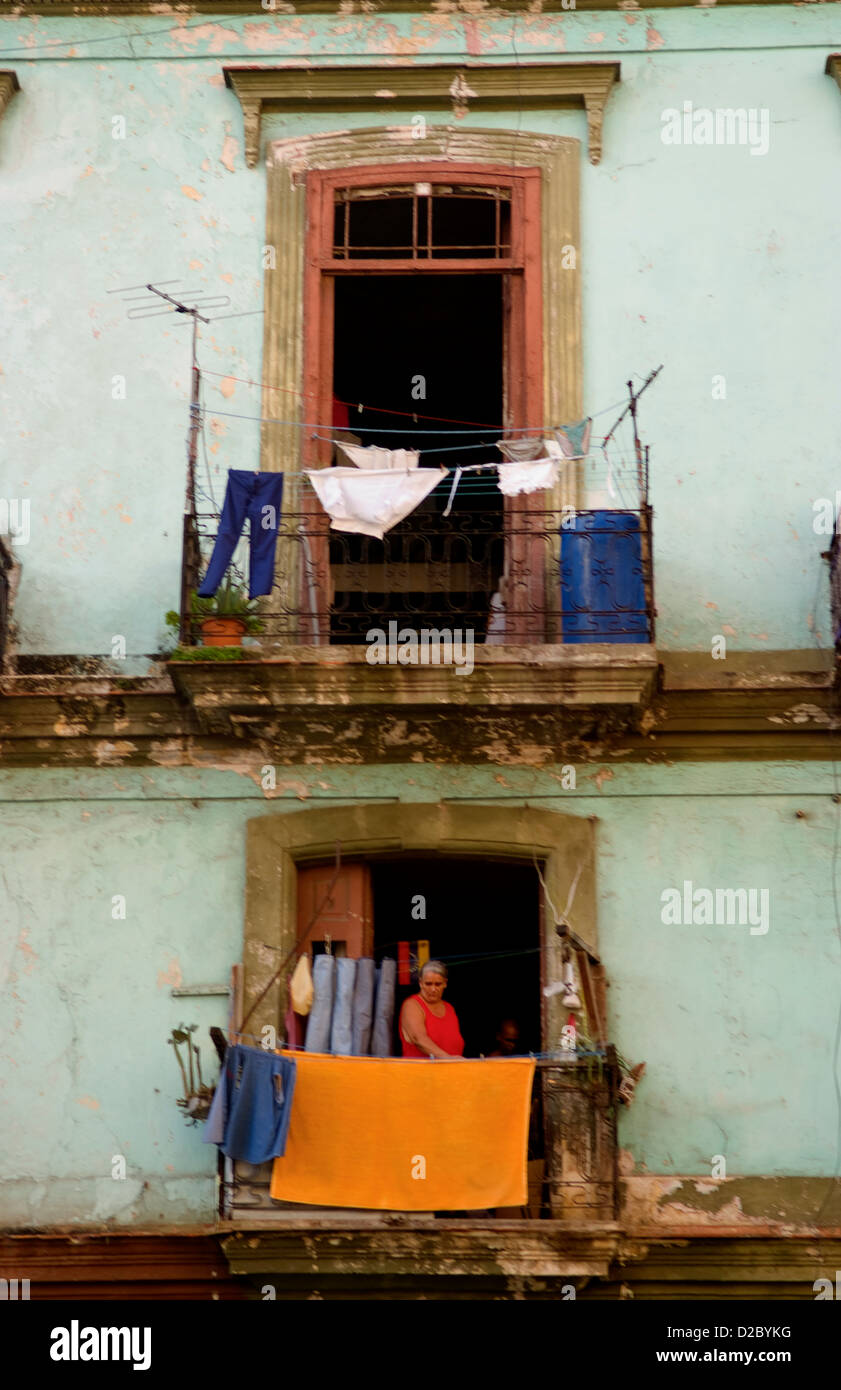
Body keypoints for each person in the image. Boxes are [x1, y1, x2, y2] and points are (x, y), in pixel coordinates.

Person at [399, 960, 464, 1058]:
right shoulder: (412, 1005)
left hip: (452, 1071)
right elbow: (418, 1039)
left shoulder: (449, 1008)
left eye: (438, 984)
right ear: (420, 983)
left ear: (445, 983)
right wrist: (448, 1059)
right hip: (419, 1071)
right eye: (428, 984)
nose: (433, 989)